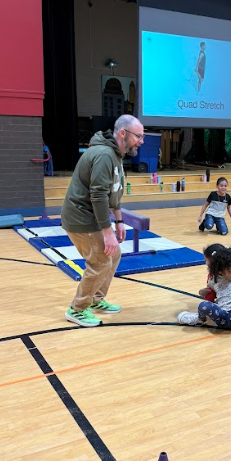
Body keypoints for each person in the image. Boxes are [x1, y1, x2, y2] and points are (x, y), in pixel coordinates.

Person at [61, 114, 144, 327]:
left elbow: (113, 193)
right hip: (80, 217)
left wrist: (118, 222)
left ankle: (96, 299)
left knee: (113, 254)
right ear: (123, 133)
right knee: (100, 261)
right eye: (139, 136)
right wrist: (108, 233)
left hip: (91, 216)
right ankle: (77, 309)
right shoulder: (105, 155)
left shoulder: (116, 155)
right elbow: (97, 195)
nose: (141, 141)